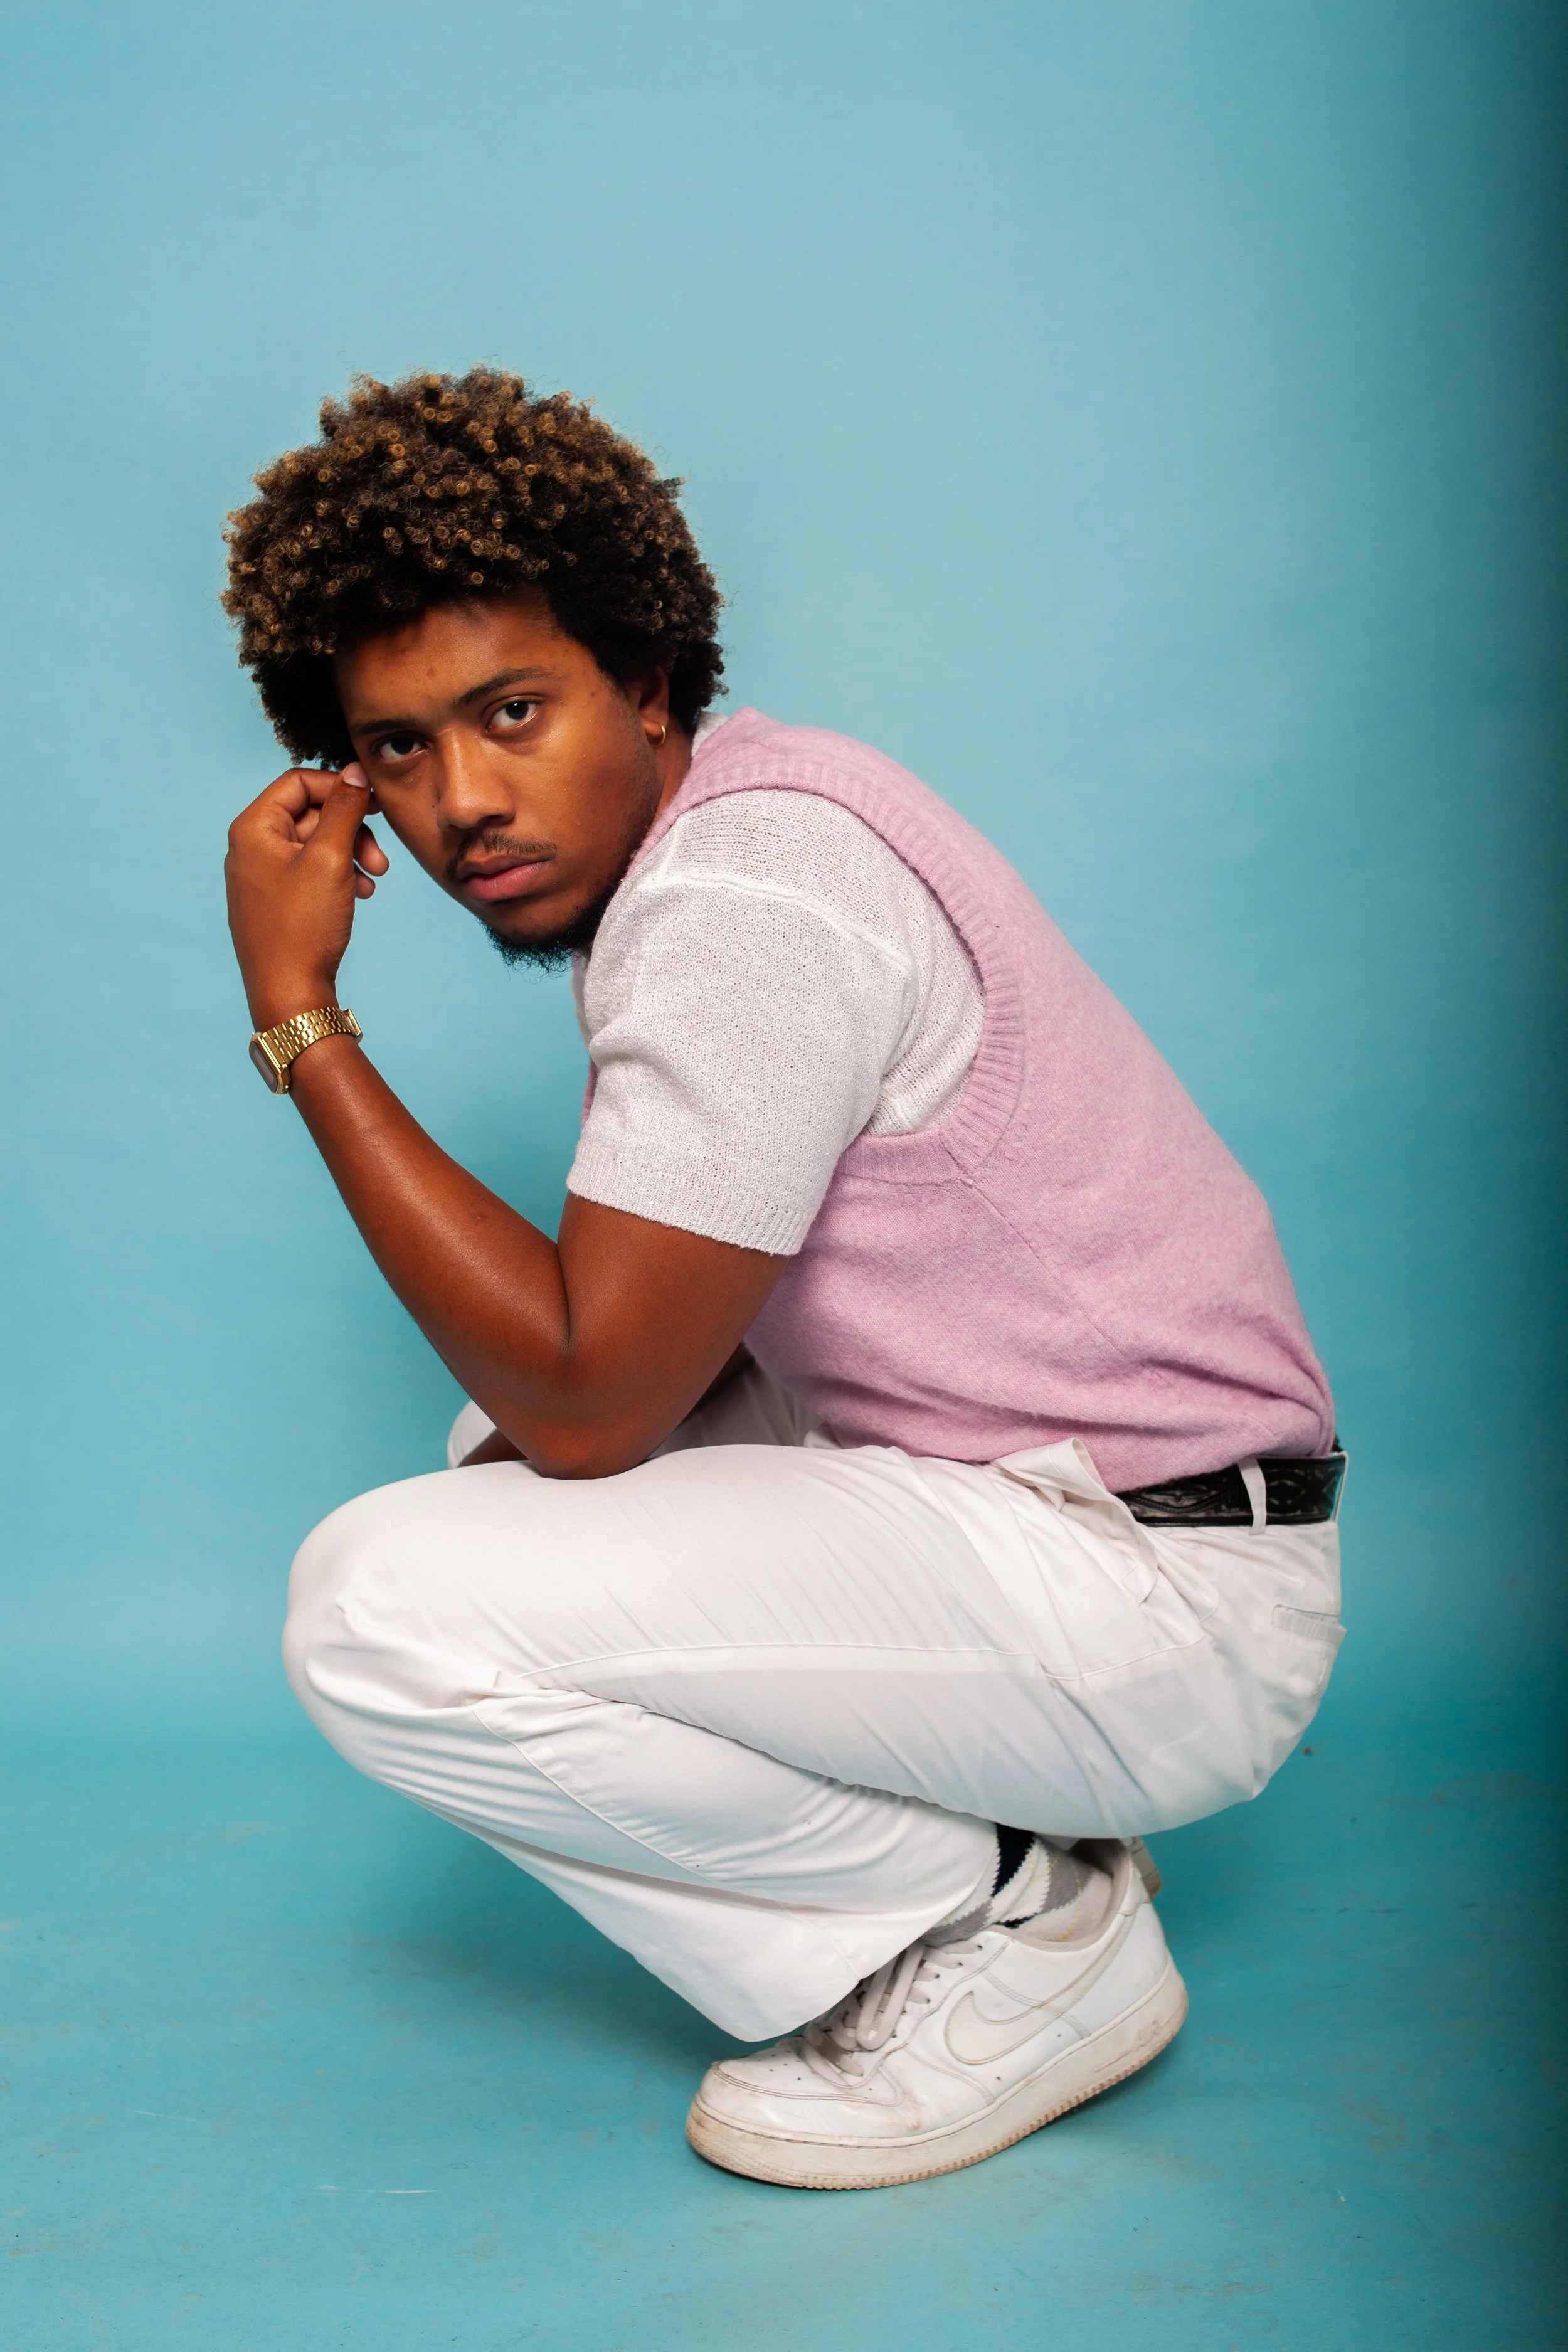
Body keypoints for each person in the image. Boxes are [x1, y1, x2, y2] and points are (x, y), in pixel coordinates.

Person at [221, 366, 1344, 2191]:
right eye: (401, 750)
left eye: (514, 711)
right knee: (482, 1479)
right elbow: (590, 1397)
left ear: (651, 681)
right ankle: (1006, 1866)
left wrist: (299, 1014)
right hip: (1070, 1527)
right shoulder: (743, 827)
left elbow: (591, 1395)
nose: (466, 802)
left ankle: (1000, 1928)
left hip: (1159, 1591)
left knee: (383, 1604)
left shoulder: (746, 896)